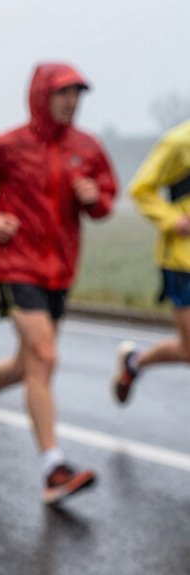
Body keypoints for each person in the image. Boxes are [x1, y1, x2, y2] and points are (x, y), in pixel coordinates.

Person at [0, 63, 117, 506]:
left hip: (60, 269)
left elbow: (107, 196)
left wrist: (96, 200)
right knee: (45, 355)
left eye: (77, 94)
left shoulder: (87, 147)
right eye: (63, 93)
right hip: (16, 265)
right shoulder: (10, 145)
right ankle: (53, 468)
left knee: (28, 365)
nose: (71, 102)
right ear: (42, 96)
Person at [112, 120, 190, 404]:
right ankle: (135, 363)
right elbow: (141, 189)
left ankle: (134, 363)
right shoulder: (179, 142)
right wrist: (172, 219)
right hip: (182, 260)